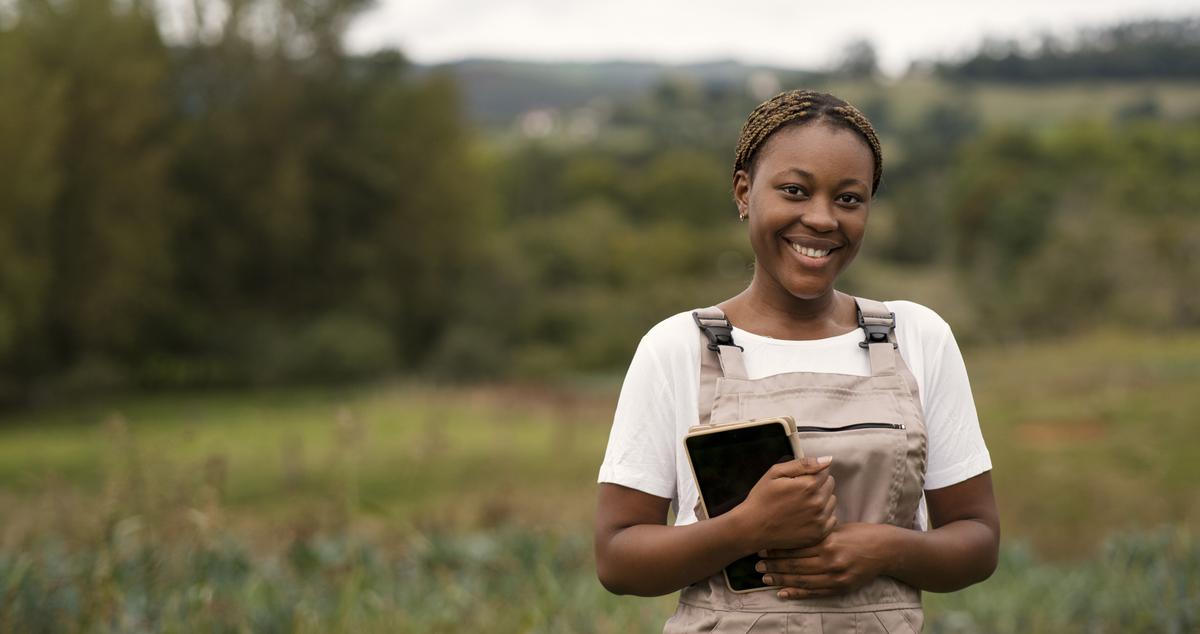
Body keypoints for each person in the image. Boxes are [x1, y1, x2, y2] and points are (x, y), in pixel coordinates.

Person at [593, 90, 999, 633]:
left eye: (849, 199)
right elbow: (618, 559)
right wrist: (747, 528)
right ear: (744, 192)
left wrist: (884, 549)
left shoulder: (917, 337)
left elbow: (978, 539)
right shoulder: (676, 347)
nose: (822, 219)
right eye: (794, 191)